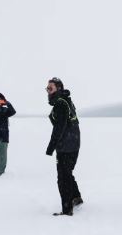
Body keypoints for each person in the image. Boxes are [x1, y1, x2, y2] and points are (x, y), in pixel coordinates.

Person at [46, 77, 82, 216]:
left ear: (58, 89)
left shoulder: (61, 104)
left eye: (51, 88)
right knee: (67, 173)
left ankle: (67, 210)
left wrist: (51, 147)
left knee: (63, 178)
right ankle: (76, 197)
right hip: (73, 144)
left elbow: (59, 128)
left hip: (66, 146)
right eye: (47, 88)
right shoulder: (67, 100)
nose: (48, 91)